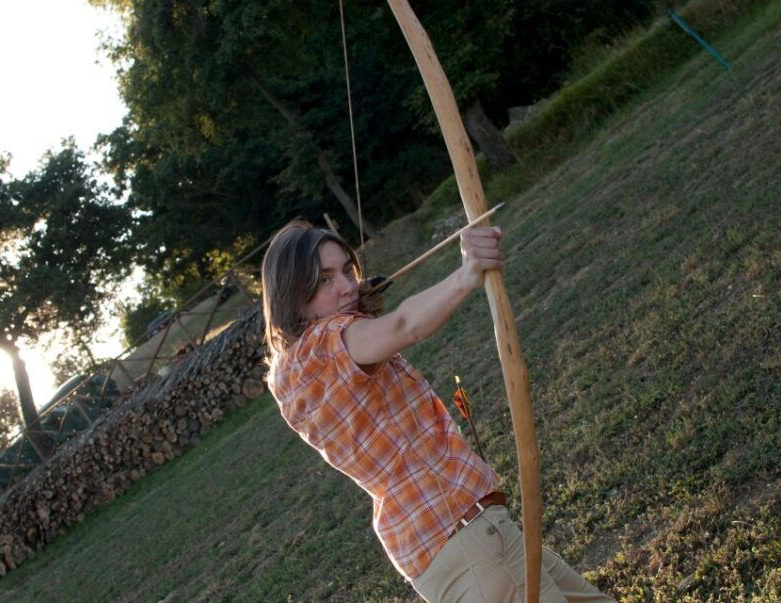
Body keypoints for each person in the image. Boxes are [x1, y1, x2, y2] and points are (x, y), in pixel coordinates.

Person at [261, 220, 612, 602]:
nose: (347, 286)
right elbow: (406, 324)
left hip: (449, 547)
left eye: (347, 270)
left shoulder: (290, 370)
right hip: (468, 540)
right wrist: (467, 273)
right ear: (293, 295)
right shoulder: (327, 344)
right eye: (324, 280)